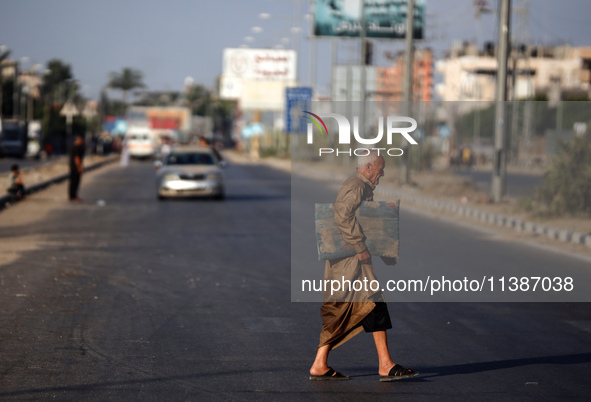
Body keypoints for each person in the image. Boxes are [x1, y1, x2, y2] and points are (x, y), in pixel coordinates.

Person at [309, 150, 419, 382]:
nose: (382, 173)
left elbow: (368, 223)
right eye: (380, 168)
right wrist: (360, 247)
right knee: (350, 308)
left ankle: (379, 363)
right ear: (368, 167)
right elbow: (343, 216)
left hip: (356, 262)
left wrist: (384, 251)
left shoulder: (363, 187)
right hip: (350, 263)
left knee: (366, 306)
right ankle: (381, 364)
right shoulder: (356, 186)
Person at [69, 135, 85, 202]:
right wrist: (79, 167)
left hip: (73, 167)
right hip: (75, 167)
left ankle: (73, 196)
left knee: (74, 182)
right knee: (75, 182)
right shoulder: (76, 147)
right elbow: (76, 158)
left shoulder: (74, 146)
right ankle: (73, 196)